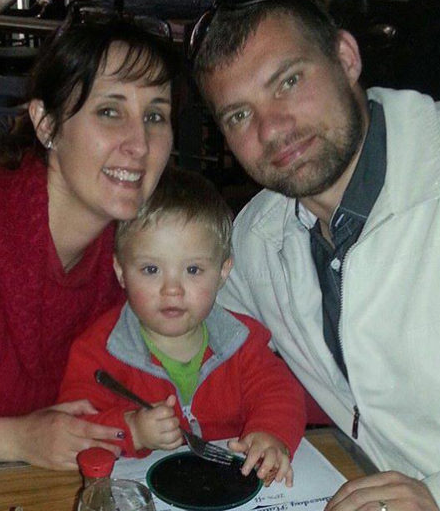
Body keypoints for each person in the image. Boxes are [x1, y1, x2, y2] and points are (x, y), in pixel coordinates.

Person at [190, 0, 440, 511]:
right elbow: (183, 331)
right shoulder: (258, 236)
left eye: (288, 81)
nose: (272, 128)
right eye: (239, 114)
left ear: (346, 58)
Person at [0, 13, 178, 473]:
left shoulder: (135, 265)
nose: (140, 144)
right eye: (110, 111)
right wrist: (15, 438)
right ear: (46, 124)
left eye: (155, 116)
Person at [58, 167, 306, 486]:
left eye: (193, 270)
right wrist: (132, 430)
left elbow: (281, 393)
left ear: (223, 272)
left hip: (227, 485)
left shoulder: (243, 341)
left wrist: (271, 434)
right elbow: (75, 426)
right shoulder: (98, 351)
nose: (172, 290)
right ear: (121, 271)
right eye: (151, 269)